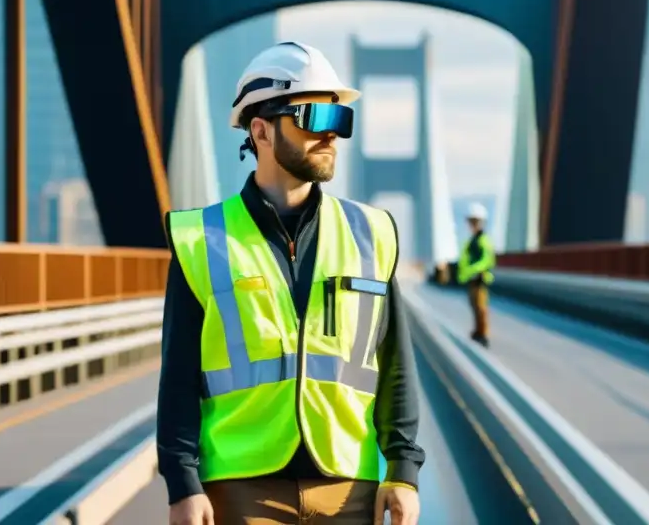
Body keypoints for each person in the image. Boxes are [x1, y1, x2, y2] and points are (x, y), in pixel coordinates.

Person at [157, 41, 425, 525]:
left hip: (348, 486)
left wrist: (403, 470)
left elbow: (395, 368)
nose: (330, 135)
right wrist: (182, 484)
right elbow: (177, 376)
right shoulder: (200, 238)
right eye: (312, 118)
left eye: (338, 120)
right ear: (260, 130)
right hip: (240, 488)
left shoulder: (372, 234)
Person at [456, 202, 495, 347]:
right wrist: (463, 273)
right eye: (471, 221)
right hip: (471, 280)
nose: (472, 224)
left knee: (480, 307)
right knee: (474, 305)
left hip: (480, 279)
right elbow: (465, 259)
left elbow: (487, 260)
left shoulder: (483, 240)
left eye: (475, 221)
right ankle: (478, 331)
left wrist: (472, 270)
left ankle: (483, 334)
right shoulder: (471, 241)